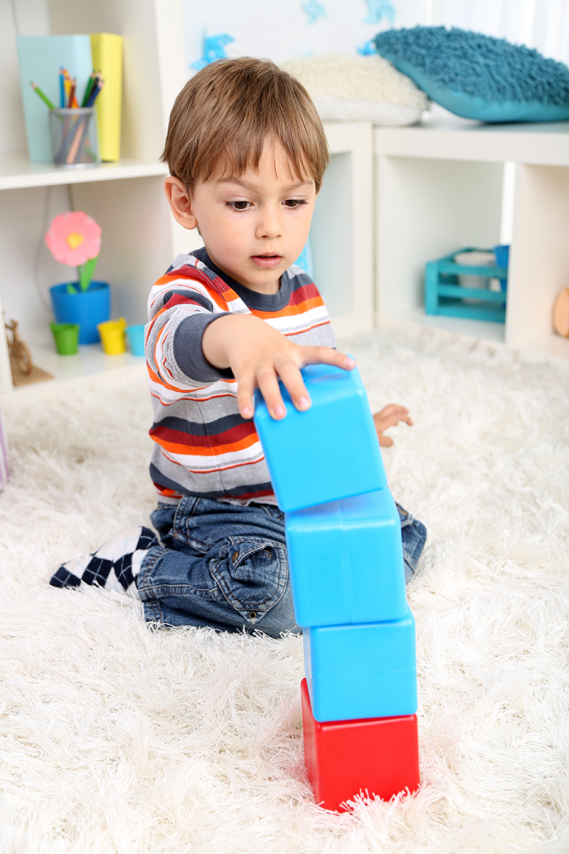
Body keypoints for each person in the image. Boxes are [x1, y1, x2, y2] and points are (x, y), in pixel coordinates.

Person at [50, 58, 426, 636]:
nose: (271, 226)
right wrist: (234, 335)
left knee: (398, 541)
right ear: (185, 202)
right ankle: (141, 565)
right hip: (218, 506)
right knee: (281, 598)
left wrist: (352, 426)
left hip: (300, 487)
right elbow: (176, 343)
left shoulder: (304, 290)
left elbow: (305, 387)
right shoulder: (185, 291)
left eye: (293, 202)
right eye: (241, 204)